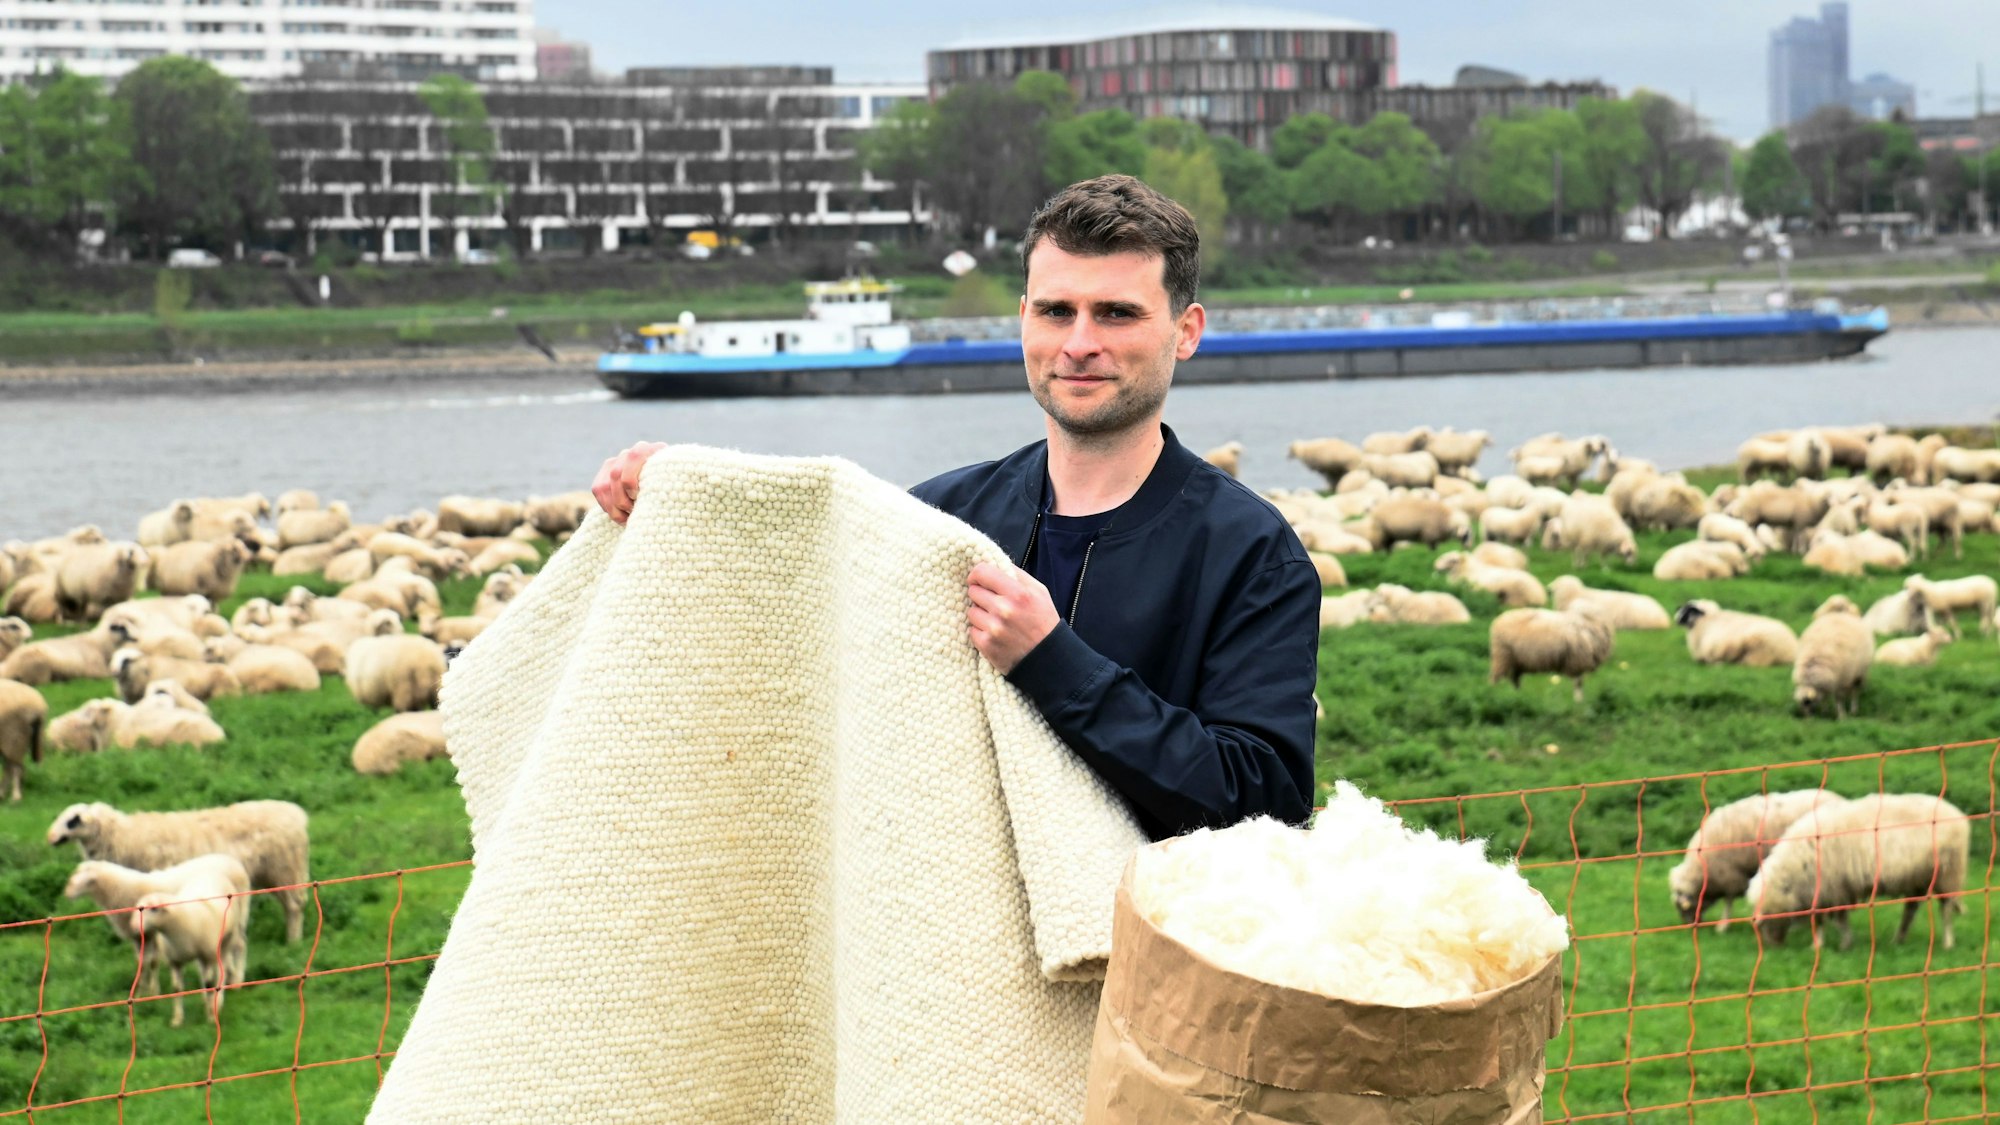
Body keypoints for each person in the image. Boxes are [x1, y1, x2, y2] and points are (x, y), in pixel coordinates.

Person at [592, 175, 1319, 841]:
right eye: (1056, 310)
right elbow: (795, 616)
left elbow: (1266, 802)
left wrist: (1053, 660)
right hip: (957, 962)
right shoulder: (942, 516)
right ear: (1023, 319)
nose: (1080, 343)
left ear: (1185, 331)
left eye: (1118, 314)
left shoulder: (1253, 553)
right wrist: (685, 496)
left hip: (1147, 966)